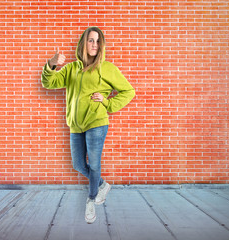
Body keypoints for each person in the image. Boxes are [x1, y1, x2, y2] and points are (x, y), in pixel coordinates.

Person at [41, 27, 135, 224]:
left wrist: (108, 103)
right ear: (83, 43)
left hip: (96, 122)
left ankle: (91, 200)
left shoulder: (107, 68)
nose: (94, 44)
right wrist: (51, 64)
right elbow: (49, 83)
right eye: (91, 40)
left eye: (98, 41)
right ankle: (102, 184)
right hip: (75, 125)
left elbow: (128, 91)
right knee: (78, 164)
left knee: (94, 163)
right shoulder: (70, 69)